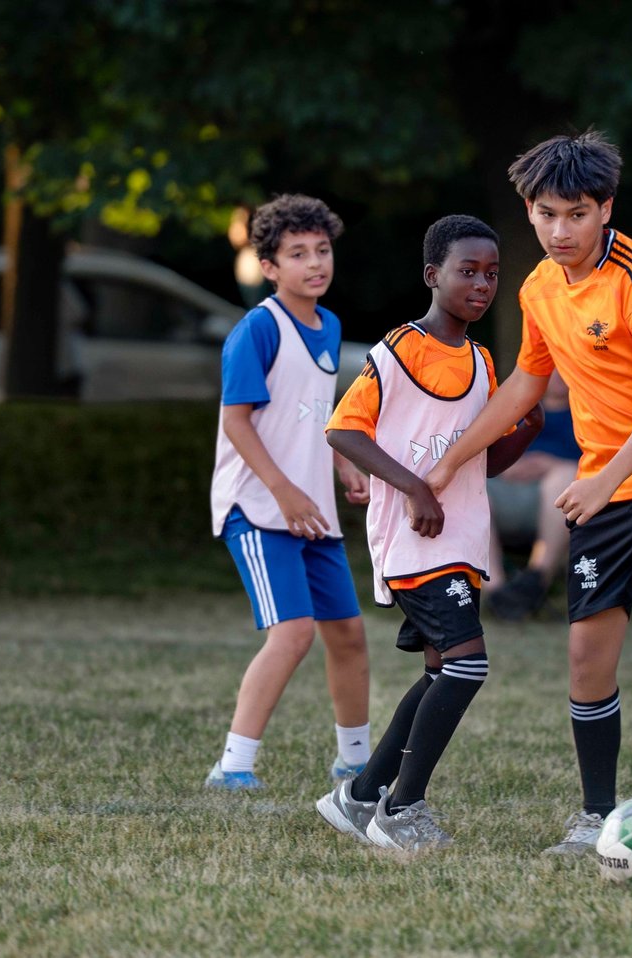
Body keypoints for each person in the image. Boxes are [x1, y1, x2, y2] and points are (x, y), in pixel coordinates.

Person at [425, 129, 632, 856]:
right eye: (546, 214)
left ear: (605, 209)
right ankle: (594, 818)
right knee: (586, 659)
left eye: (576, 214)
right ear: (529, 211)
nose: (559, 230)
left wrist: (603, 477)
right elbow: (526, 383)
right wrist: (454, 458)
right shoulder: (540, 287)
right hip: (606, 483)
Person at [315, 214, 543, 852]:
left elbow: (483, 463)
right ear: (432, 275)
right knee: (468, 666)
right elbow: (343, 430)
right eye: (467, 271)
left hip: (461, 541)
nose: (481, 284)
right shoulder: (399, 349)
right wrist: (414, 486)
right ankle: (402, 809)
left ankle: (360, 797)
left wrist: (521, 432)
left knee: (444, 669)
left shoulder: (481, 361)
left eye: (492, 273)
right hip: (413, 538)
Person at [206, 193, 372, 791]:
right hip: (258, 507)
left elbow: (311, 418)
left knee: (348, 634)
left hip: (311, 512)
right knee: (294, 633)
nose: (314, 263)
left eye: (322, 251)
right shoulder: (258, 329)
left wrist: (343, 466)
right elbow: (237, 422)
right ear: (269, 268)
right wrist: (283, 493)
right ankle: (233, 767)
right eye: (296, 254)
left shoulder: (328, 326)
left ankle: (356, 762)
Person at [484, 370, 580, 621]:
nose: (559, 376)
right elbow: (483, 450)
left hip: (556, 501)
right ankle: (496, 590)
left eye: (564, 369)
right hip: (504, 493)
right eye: (551, 370)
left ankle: (537, 578)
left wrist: (550, 464)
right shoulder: (513, 408)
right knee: (470, 487)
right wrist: (508, 464)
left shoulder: (585, 412)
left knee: (567, 474)